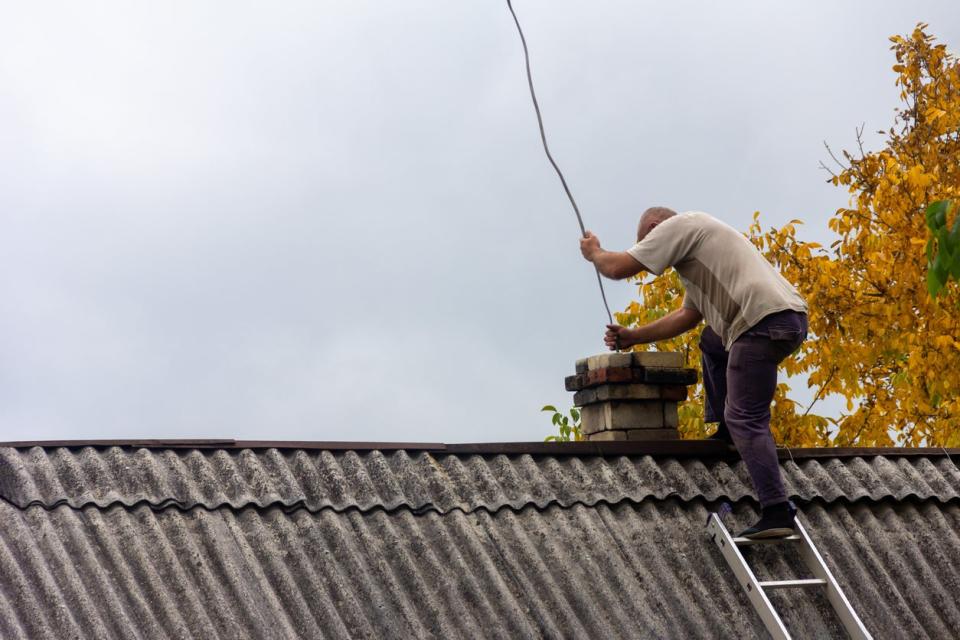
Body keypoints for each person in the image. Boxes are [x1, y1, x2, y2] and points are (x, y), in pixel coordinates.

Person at [579, 207, 808, 539]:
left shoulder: (679, 226)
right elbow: (688, 316)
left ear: (656, 228)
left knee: (746, 416)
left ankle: (776, 510)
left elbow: (617, 268)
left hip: (761, 322)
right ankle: (729, 431)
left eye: (648, 243)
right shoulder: (699, 252)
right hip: (783, 318)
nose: (652, 252)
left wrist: (595, 253)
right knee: (712, 340)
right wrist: (633, 336)